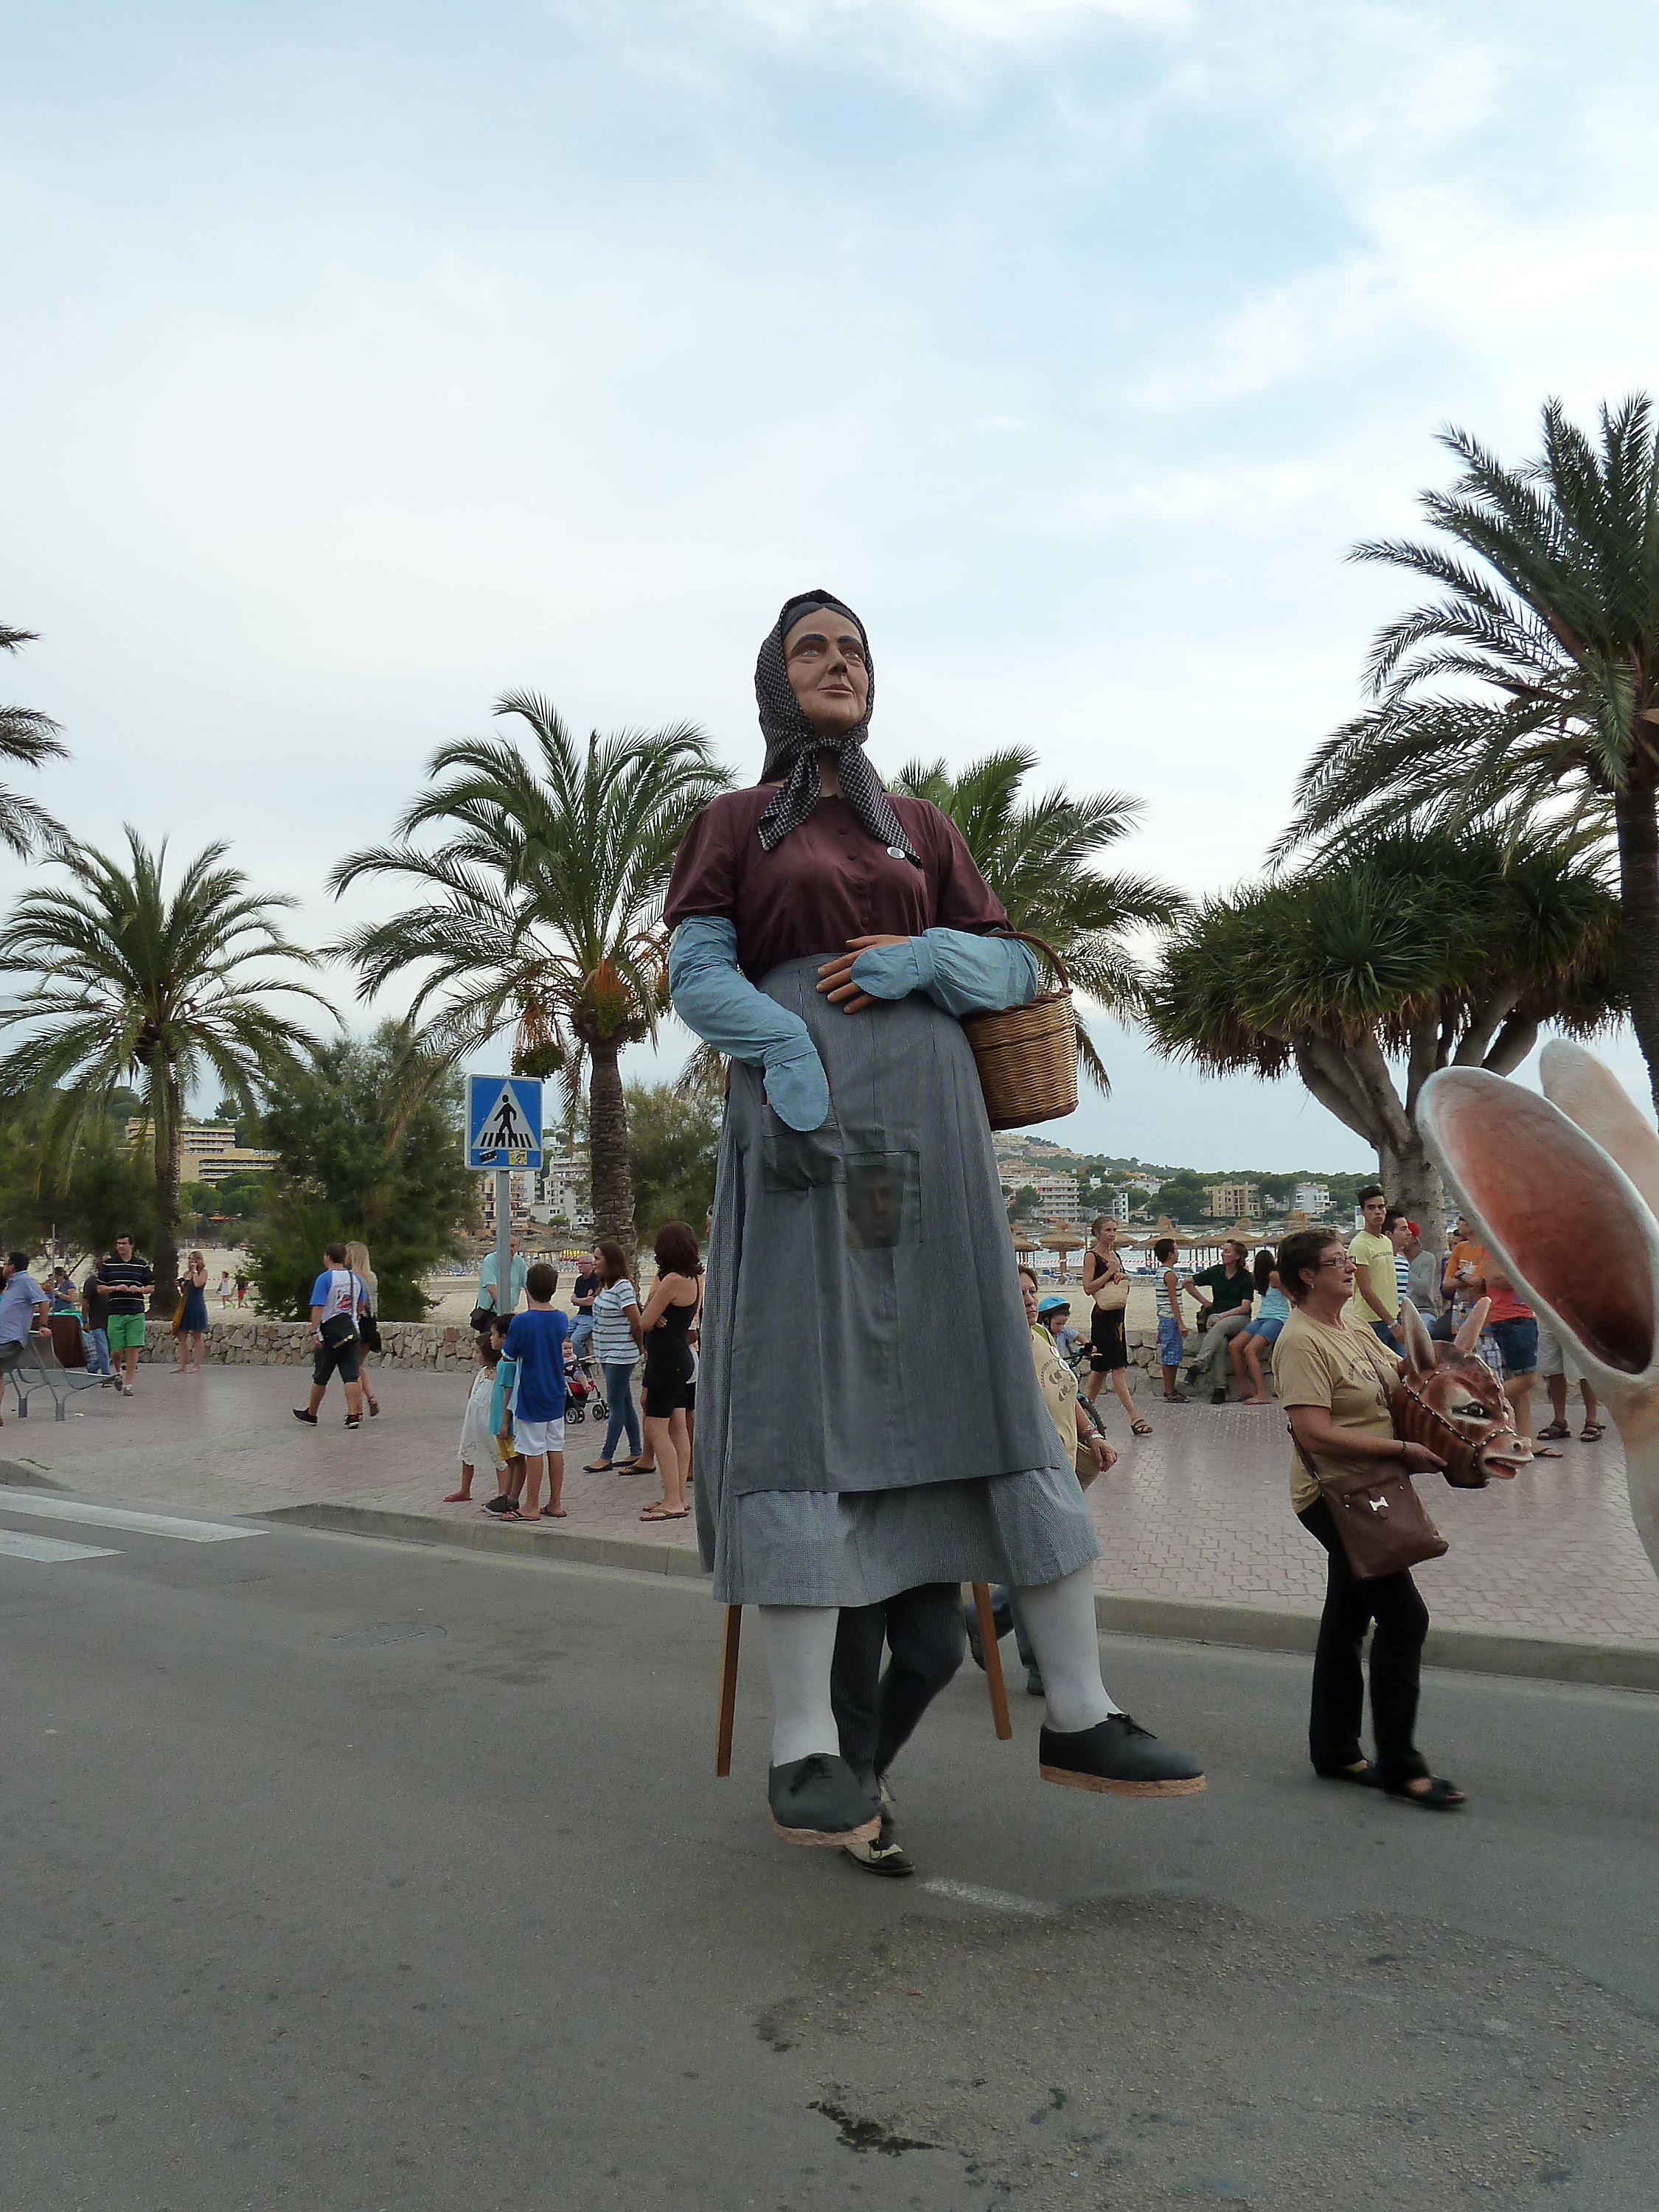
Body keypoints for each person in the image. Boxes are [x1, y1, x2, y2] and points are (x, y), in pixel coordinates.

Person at [667, 588, 1203, 1848]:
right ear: (774, 679)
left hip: (926, 1137)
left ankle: (1082, 1708)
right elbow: (696, 972)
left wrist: (923, 960)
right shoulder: (732, 822)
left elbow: (1012, 964)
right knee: (807, 1386)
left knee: (980, 1367)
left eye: (853, 648)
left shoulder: (922, 828)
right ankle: (806, 1745)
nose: (838, 663)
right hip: (807, 1135)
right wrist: (784, 1053)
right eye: (812, 648)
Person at [1272, 1228, 1462, 1809]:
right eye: (1337, 1261)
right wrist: (1402, 1451)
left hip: (1371, 1487)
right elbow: (1313, 1431)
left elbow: (1403, 1377)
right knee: (1404, 1618)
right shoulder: (1300, 1341)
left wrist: (1451, 1372)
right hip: (1336, 1495)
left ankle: (1334, 1750)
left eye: (1348, 1259)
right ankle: (1402, 1767)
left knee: (1347, 1618)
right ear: (1308, 1276)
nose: (1350, 1267)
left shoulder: (1351, 1324)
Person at [633, 1222, 700, 1522]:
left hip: (665, 1362)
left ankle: (672, 1500)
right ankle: (679, 1495)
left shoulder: (672, 1280)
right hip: (680, 1358)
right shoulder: (693, 1278)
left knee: (656, 1429)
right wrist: (657, 1313)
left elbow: (645, 1321)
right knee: (678, 1427)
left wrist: (654, 1310)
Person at [502, 1263, 568, 1520]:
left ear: (527, 1288)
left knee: (533, 1450)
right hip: (555, 1390)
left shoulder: (522, 1321)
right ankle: (555, 1502)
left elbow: (509, 1354)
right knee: (555, 1447)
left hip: (531, 1391)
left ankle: (531, 1505)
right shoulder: (561, 1318)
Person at [1081, 1216, 1151, 1436]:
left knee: (1099, 1370)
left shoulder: (1115, 1256)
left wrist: (1120, 1275)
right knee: (1117, 1368)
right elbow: (1088, 1288)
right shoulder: (1091, 1256)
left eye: (1114, 1230)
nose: (1112, 1234)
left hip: (1118, 1317)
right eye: (1108, 1230)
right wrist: (1110, 1273)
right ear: (1097, 1233)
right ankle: (1134, 1417)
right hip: (1103, 1319)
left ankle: (1081, 1414)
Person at [292, 1242, 368, 1427]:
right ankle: (353, 1415)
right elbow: (361, 1304)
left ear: (328, 1257)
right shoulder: (355, 1279)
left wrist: (314, 1330)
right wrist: (353, 1318)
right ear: (345, 1258)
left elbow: (318, 1306)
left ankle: (312, 1413)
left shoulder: (325, 1279)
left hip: (329, 1334)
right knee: (351, 1375)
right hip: (351, 1331)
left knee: (321, 1376)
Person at [584, 1241, 643, 1473]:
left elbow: (636, 1321)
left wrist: (640, 1347)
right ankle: (636, 1450)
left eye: (598, 1258)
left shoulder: (623, 1287)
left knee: (615, 1403)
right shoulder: (605, 1286)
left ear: (610, 1260)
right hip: (606, 1353)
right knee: (625, 1401)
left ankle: (606, 1455)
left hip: (621, 1354)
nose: (594, 1263)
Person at [1182, 1239, 1255, 1403]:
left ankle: (1198, 1365)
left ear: (1237, 1256)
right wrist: (1205, 1302)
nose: (1223, 1254)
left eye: (1227, 1251)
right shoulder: (1216, 1272)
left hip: (1239, 1318)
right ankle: (1220, 1389)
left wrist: (1222, 1316)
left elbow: (1245, 1307)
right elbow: (1187, 1283)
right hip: (1215, 1317)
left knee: (1219, 1325)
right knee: (1220, 1344)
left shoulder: (1246, 1278)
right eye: (1223, 1250)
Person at [96, 1233, 155, 1397]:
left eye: (124, 1243)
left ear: (131, 1245)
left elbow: (151, 1287)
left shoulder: (141, 1265)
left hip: (136, 1311)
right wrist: (115, 1288)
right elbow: (100, 1288)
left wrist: (139, 1289)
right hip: (115, 1312)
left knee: (132, 1347)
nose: (121, 1246)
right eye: (118, 1243)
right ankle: (118, 1372)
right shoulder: (109, 1265)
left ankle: (129, 1385)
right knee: (116, 1350)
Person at [1231, 1247, 1288, 1405]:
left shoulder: (1274, 1276)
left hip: (1277, 1318)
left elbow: (1290, 1295)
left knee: (1250, 1350)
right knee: (1234, 1346)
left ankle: (1262, 1393)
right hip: (1262, 1317)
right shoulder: (1260, 1279)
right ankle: (1244, 1388)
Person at [481, 1312, 525, 1514]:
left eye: (494, 1335)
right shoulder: (503, 1361)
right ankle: (505, 1494)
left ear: (505, 1337)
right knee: (508, 1460)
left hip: (506, 1422)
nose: (491, 1339)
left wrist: (505, 1421)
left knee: (516, 1459)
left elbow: (508, 1393)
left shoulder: (508, 1364)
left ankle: (512, 1498)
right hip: (499, 1419)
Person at [447, 1332, 498, 1503]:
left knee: (499, 1458)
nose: (475, 1355)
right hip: (473, 1421)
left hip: (490, 1421)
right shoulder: (482, 1373)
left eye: (477, 1352)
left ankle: (503, 1493)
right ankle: (465, 1489)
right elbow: (471, 1392)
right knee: (467, 1454)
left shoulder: (499, 1374)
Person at [1345, 1186, 1399, 1343]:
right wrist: (1391, 1323)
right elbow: (1366, 1289)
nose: (1377, 1212)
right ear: (1363, 1212)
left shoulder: (1386, 1241)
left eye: (1381, 1207)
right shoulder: (1360, 1245)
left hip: (1393, 1316)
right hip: (1371, 1321)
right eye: (1371, 1208)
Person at [1536, 1315, 1602, 1443]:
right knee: (1553, 1367)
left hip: (1576, 1310)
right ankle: (1559, 1420)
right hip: (1547, 1312)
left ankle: (1592, 1420)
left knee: (1585, 1364)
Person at [0, 1253, 49, 1413]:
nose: (4, 1267)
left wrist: (43, 1325)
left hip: (10, 1338)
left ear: (12, 1267)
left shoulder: (25, 1281)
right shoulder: (12, 1285)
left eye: (6, 1264)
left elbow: (43, 1301)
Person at [344, 1241, 382, 1417]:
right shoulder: (372, 1277)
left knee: (353, 1369)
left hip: (358, 1323)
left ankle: (357, 1410)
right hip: (371, 1324)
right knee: (359, 1365)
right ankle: (371, 1398)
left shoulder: (351, 1277)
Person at [1153, 1237, 1187, 1401]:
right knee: (1171, 1355)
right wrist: (1181, 1323)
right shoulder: (1170, 1275)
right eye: (1176, 1250)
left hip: (1164, 1317)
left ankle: (1170, 1389)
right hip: (1170, 1318)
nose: (1178, 1253)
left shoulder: (1161, 1272)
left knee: (1171, 1353)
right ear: (1170, 1254)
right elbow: (1173, 1300)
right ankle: (1169, 1390)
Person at [171, 1250, 209, 1374]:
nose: (191, 1262)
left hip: (196, 1305)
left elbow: (198, 1284)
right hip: (185, 1306)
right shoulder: (186, 1273)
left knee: (197, 1335)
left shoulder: (203, 1272)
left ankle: (196, 1365)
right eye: (190, 1259)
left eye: (194, 1260)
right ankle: (182, 1365)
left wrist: (194, 1272)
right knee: (182, 1336)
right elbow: (184, 1291)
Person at [474, 1245, 527, 1321]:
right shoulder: (490, 1260)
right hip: (490, 1313)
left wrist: (532, 1311)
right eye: (507, 1245)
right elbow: (491, 1288)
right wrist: (505, 1310)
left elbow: (528, 1286)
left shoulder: (519, 1262)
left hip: (509, 1312)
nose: (510, 1249)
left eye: (513, 1246)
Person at [80, 1267, 113, 1381]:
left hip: (110, 1320)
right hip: (96, 1321)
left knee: (110, 1351)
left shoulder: (112, 1281)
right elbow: (85, 1302)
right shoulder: (91, 1282)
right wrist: (85, 1321)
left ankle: (93, 1367)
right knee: (103, 1350)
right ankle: (106, 1376)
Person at [568, 1256, 599, 1362]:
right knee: (562, 1336)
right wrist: (582, 1300)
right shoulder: (580, 1280)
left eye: (583, 1263)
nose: (580, 1266)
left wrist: (579, 1300)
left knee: (575, 1340)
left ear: (592, 1265)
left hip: (591, 1316)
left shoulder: (597, 1280)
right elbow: (573, 1300)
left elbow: (591, 1301)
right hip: (579, 1315)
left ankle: (580, 1362)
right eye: (579, 1263)